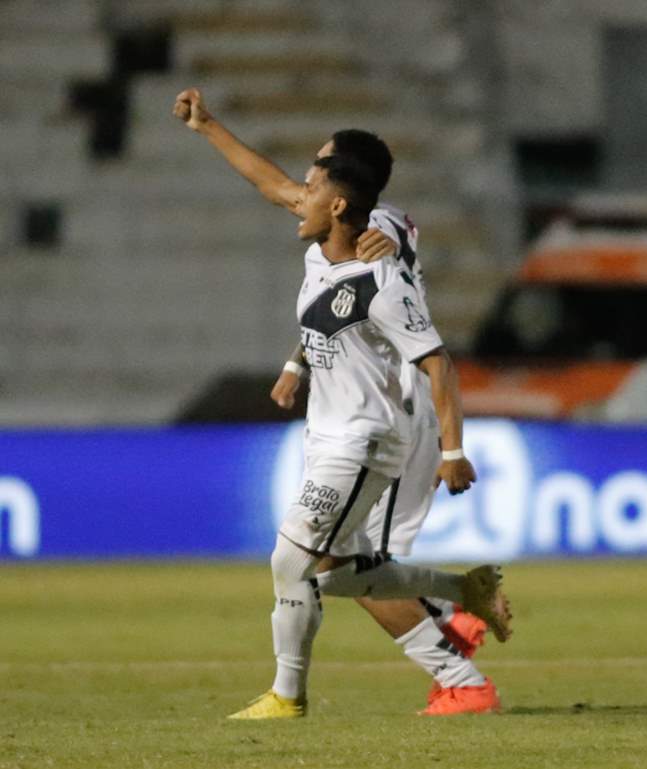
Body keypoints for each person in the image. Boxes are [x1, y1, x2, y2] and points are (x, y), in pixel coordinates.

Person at [174, 93, 511, 718]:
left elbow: (400, 316)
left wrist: (453, 447)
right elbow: (284, 208)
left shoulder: (376, 240)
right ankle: (452, 604)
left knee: (317, 560)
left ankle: (453, 668)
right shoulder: (328, 245)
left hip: (388, 416)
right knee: (335, 564)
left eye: (316, 168)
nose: (300, 182)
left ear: (343, 191)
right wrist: (296, 362)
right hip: (344, 417)